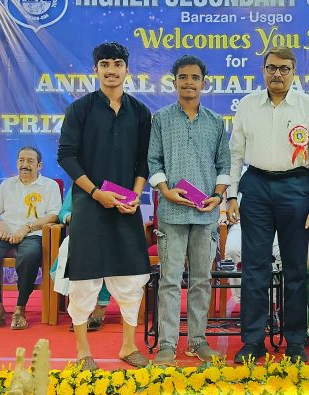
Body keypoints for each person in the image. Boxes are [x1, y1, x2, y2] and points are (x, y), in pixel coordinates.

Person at [227, 46, 309, 363]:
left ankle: (295, 341)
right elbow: (235, 154)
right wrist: (231, 195)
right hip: (255, 186)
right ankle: (253, 341)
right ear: (263, 70)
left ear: (294, 72)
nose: (277, 74)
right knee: (254, 268)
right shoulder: (247, 105)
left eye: (284, 69)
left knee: (295, 269)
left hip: (296, 187)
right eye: (271, 68)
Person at [57, 41, 152, 370]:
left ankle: (128, 346)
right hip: (89, 205)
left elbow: (144, 161)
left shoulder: (140, 112)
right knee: (85, 278)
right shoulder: (79, 110)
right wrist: (96, 193)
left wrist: (136, 195)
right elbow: (66, 156)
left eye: (117, 64)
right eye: (105, 64)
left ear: (127, 70)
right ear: (95, 70)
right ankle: (83, 352)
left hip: (126, 207)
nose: (111, 70)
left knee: (131, 276)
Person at [147, 55, 230, 364]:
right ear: (175, 82)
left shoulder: (215, 122)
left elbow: (224, 164)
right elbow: (153, 161)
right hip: (171, 213)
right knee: (169, 280)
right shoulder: (161, 119)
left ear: (203, 83)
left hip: (206, 213)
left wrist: (218, 196)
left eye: (195, 77)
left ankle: (197, 340)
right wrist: (165, 190)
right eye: (183, 77)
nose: (189, 82)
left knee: (201, 280)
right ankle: (167, 344)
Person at [0, 146, 62, 331]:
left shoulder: (50, 186)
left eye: (30, 161)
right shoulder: (7, 185)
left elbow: (54, 215)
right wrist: (0, 225)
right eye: (21, 160)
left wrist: (27, 227)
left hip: (33, 234)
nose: (25, 165)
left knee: (29, 256)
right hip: (5, 233)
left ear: (39, 165)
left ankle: (20, 309)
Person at [50, 187, 112, 332]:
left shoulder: (116, 181)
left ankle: (101, 306)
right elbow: (63, 213)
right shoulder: (79, 183)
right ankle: (81, 309)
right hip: (82, 233)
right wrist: (76, 217)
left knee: (103, 253)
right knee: (76, 254)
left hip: (110, 234)